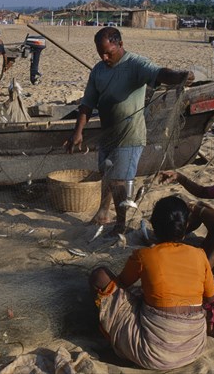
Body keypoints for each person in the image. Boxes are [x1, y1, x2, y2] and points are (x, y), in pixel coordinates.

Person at [64, 26, 193, 235]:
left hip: (130, 136)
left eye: (109, 52)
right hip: (108, 134)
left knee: (118, 180)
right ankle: (103, 213)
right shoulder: (98, 70)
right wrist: (78, 132)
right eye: (101, 53)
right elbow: (87, 104)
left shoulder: (135, 64)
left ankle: (121, 223)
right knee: (106, 174)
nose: (105, 57)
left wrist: (180, 76)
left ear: (120, 44)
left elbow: (160, 73)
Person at [88, 196, 214, 370]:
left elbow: (122, 284)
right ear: (186, 226)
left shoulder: (144, 255)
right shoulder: (200, 254)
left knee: (100, 275)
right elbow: (209, 299)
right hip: (193, 346)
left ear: (154, 227)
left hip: (152, 352)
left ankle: (109, 336)